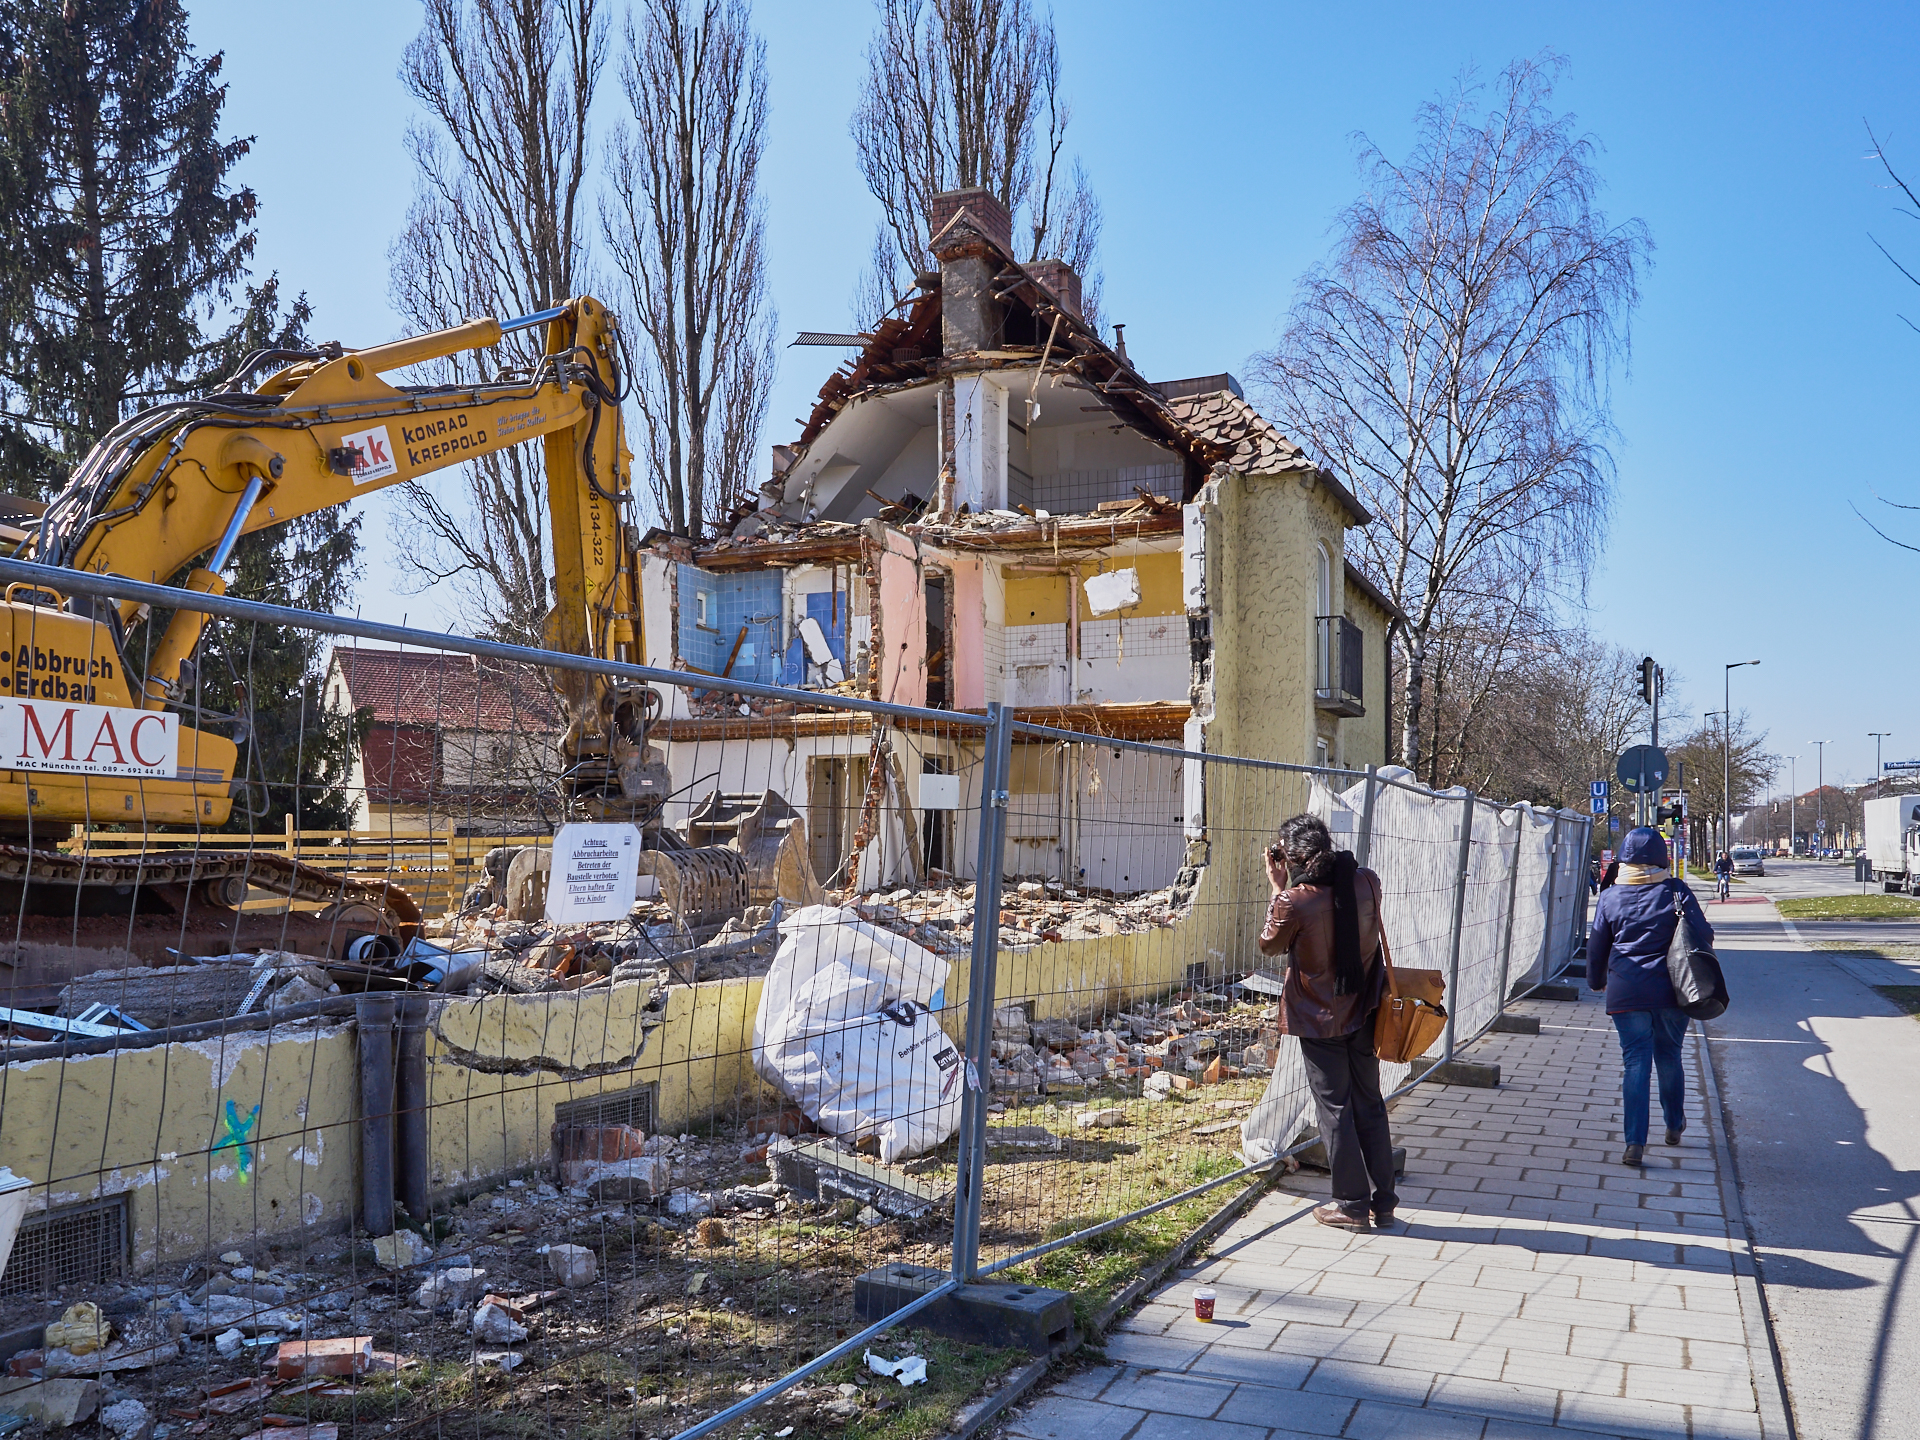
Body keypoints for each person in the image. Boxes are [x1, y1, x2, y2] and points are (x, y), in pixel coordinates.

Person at [1259, 813, 1396, 1231]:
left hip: (1319, 1018)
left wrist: (1279, 888)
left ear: (1291, 855)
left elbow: (1268, 945)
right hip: (1364, 1008)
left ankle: (1351, 1205)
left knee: (1334, 1108)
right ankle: (1384, 1203)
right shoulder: (1365, 879)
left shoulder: (1294, 900)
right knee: (1369, 1102)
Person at [1586, 826, 1714, 1166]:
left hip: (1627, 990)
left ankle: (1634, 1144)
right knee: (1669, 1056)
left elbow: (1597, 947)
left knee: (1635, 1062)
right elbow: (1704, 935)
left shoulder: (1610, 897)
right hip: (1674, 989)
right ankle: (1674, 1125)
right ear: (1663, 859)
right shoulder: (1677, 892)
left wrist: (1596, 981)